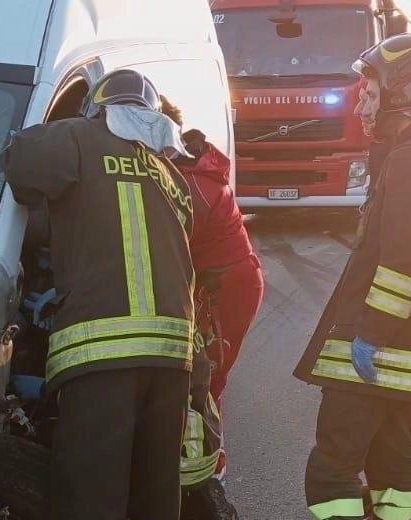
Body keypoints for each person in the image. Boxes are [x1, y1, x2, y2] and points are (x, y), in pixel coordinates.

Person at [1, 69, 219, 520]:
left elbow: (20, 164)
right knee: (155, 497)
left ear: (98, 108)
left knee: (91, 497)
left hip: (100, 355)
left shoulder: (79, 136)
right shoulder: (172, 177)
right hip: (171, 362)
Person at [293, 33, 411, 520]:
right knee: (393, 468)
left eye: (369, 95)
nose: (360, 109)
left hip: (377, 352)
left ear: (401, 91)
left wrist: (369, 334)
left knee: (333, 469)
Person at [161, 96, 263, 520]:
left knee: (206, 383)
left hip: (226, 292)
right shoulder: (190, 173)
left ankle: (210, 476)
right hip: (220, 285)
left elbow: (167, 243)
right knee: (204, 380)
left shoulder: (192, 186)